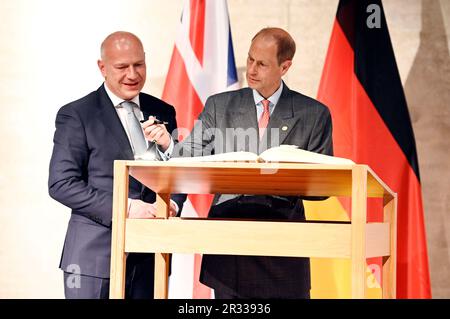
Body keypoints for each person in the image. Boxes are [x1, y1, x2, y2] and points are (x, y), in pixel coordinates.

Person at [174, 27, 333, 299]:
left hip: (282, 245)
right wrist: (168, 152)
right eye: (249, 60)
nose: (252, 70)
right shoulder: (219, 106)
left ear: (285, 67)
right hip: (230, 242)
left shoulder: (313, 114)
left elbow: (322, 187)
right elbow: (186, 158)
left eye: (262, 64)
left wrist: (284, 175)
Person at [48, 31, 185, 299]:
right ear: (102, 67)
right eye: (122, 67)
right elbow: (61, 183)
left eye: (139, 65)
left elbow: (179, 168)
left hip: (151, 258)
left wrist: (174, 202)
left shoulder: (164, 110)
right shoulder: (77, 114)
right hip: (93, 260)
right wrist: (128, 207)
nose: (132, 74)